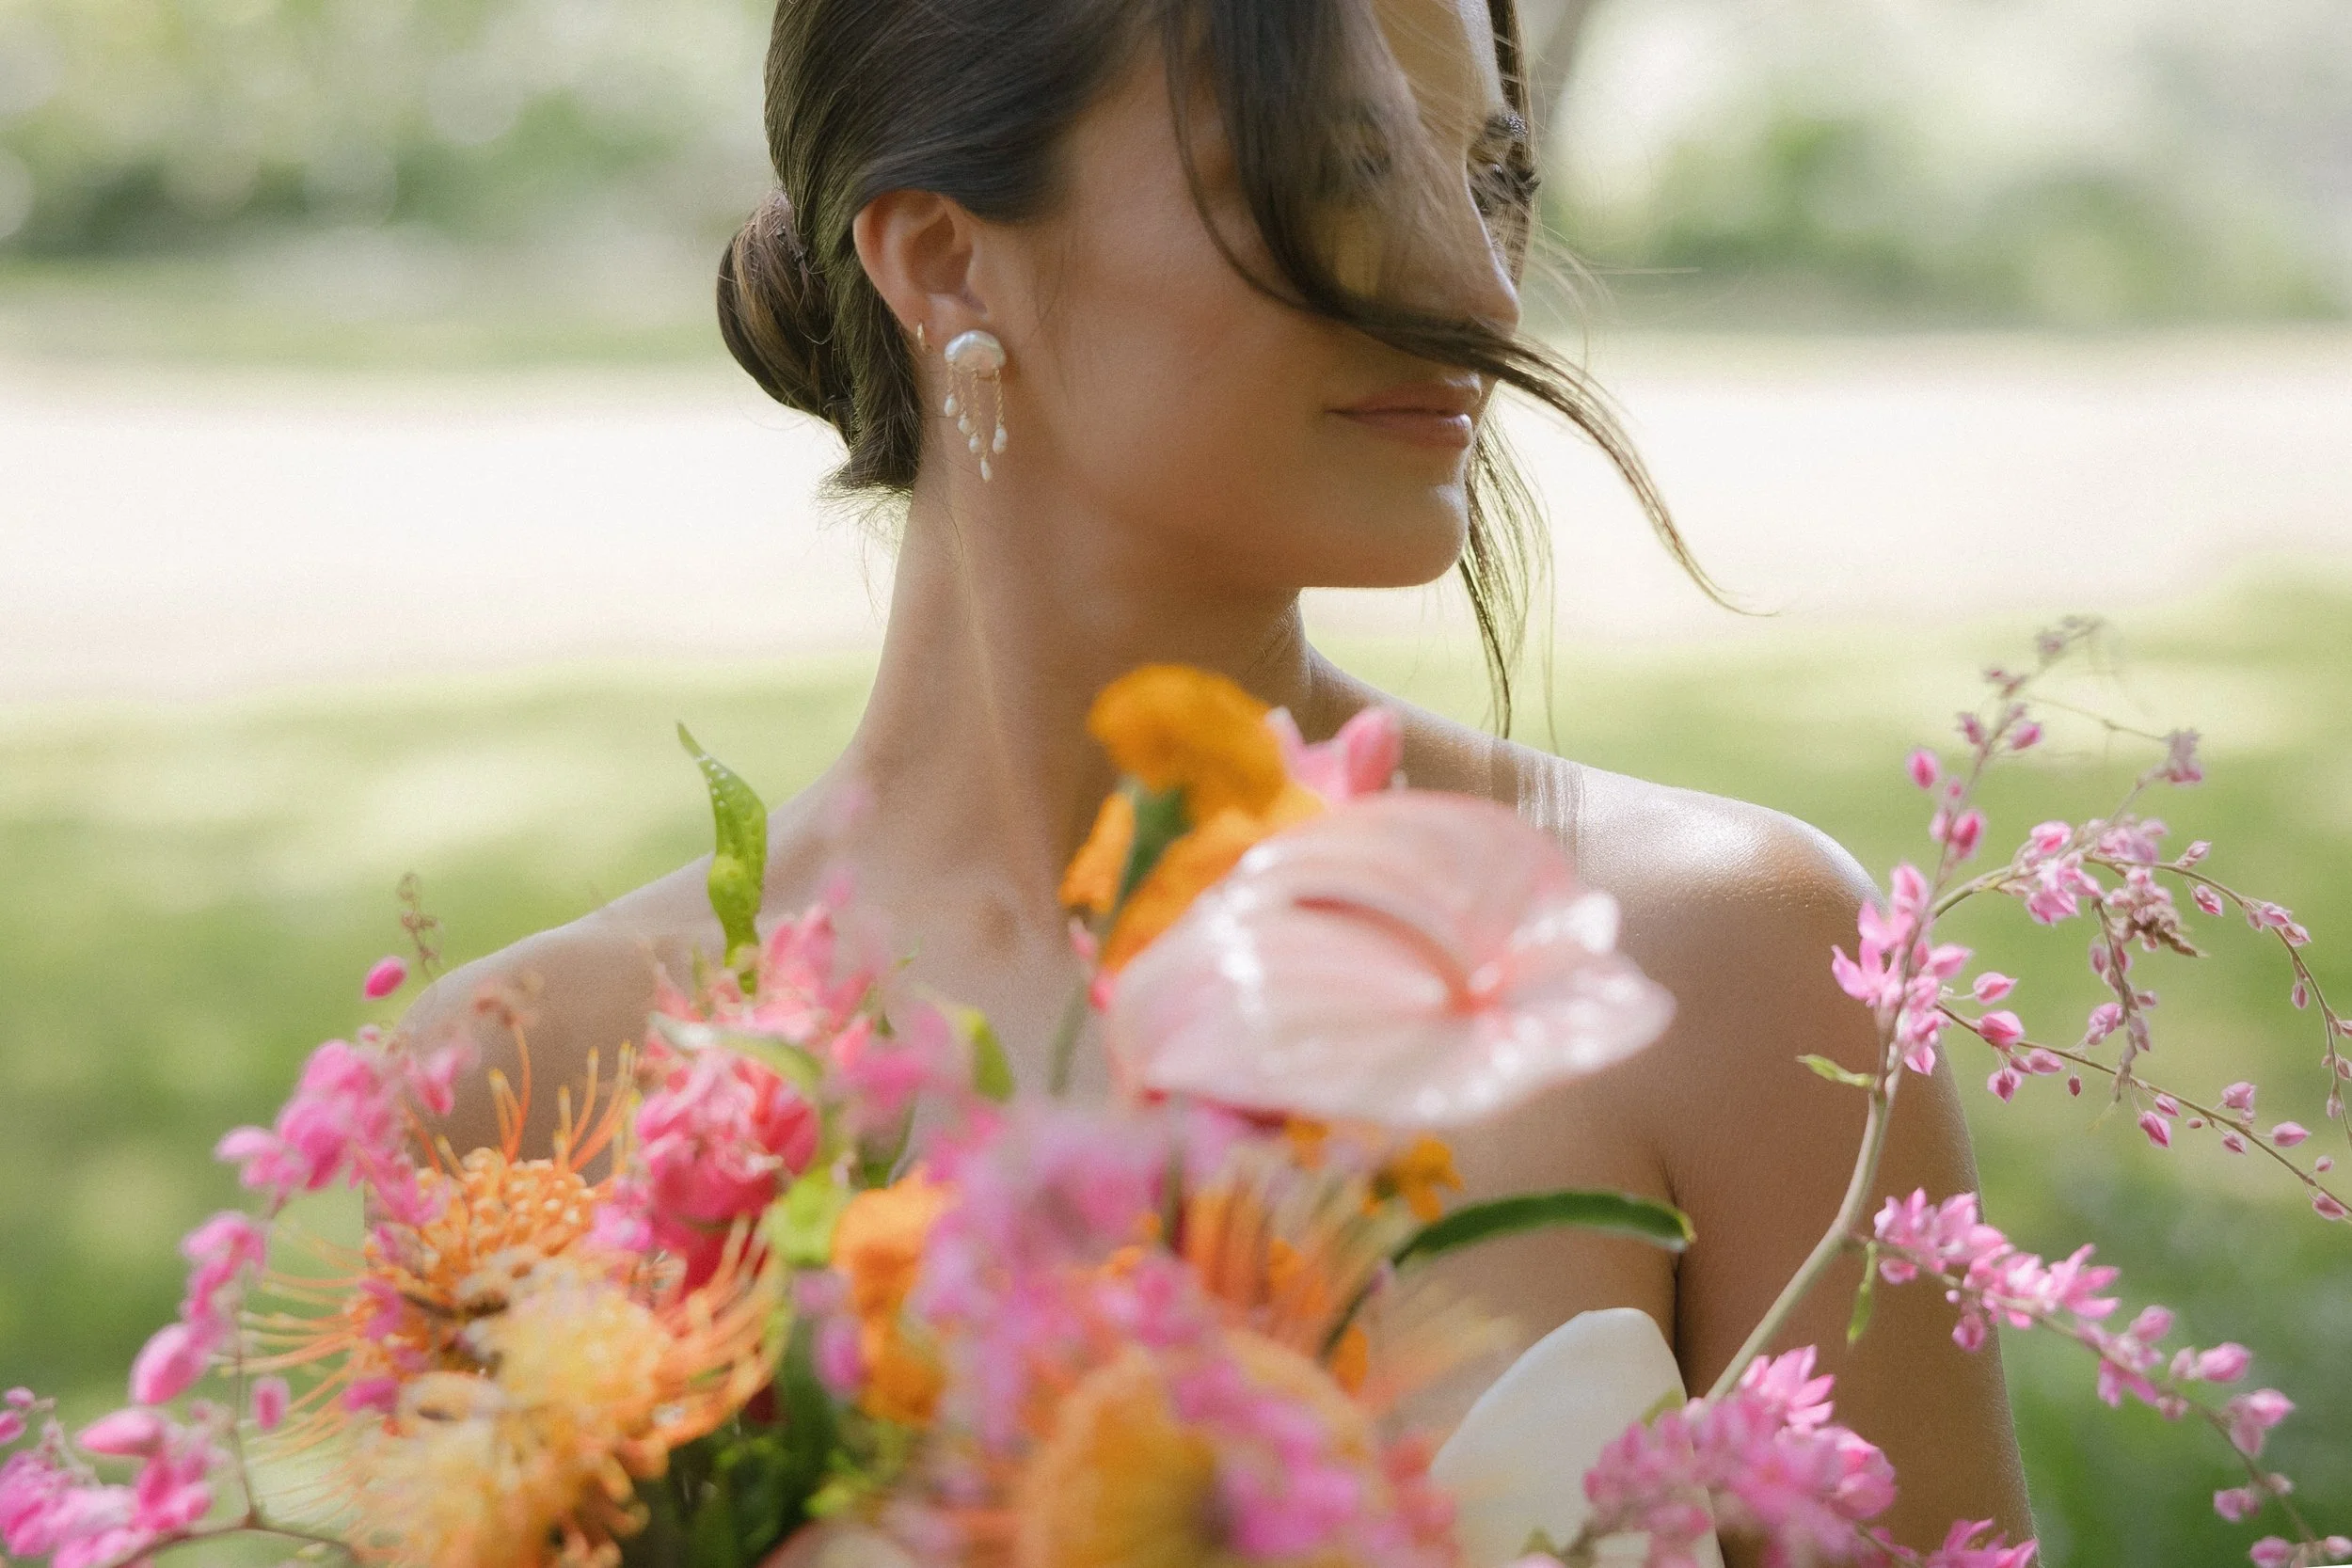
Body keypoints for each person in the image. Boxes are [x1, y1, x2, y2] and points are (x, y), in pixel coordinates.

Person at [410, 0, 2032, 1552]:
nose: (1480, 291)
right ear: (945, 256)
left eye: (1489, 179)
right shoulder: (532, 1096)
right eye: (1340, 168)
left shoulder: (1722, 972)